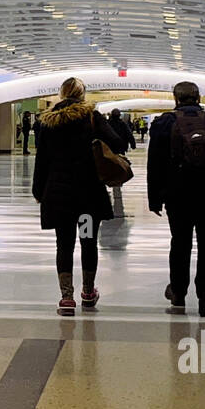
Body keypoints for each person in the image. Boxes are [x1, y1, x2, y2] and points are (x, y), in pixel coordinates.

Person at [32, 77, 127, 315]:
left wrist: (38, 190)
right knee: (87, 241)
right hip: (87, 195)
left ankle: (66, 298)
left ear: (62, 94)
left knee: (64, 244)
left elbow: (41, 159)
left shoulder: (48, 122)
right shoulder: (92, 117)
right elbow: (117, 142)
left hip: (59, 195)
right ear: (82, 95)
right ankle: (87, 291)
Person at [147, 82, 205, 316]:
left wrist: (154, 198)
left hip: (177, 194)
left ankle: (178, 292)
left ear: (175, 98)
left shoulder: (164, 123)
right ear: (199, 97)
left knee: (180, 242)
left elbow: (155, 163)